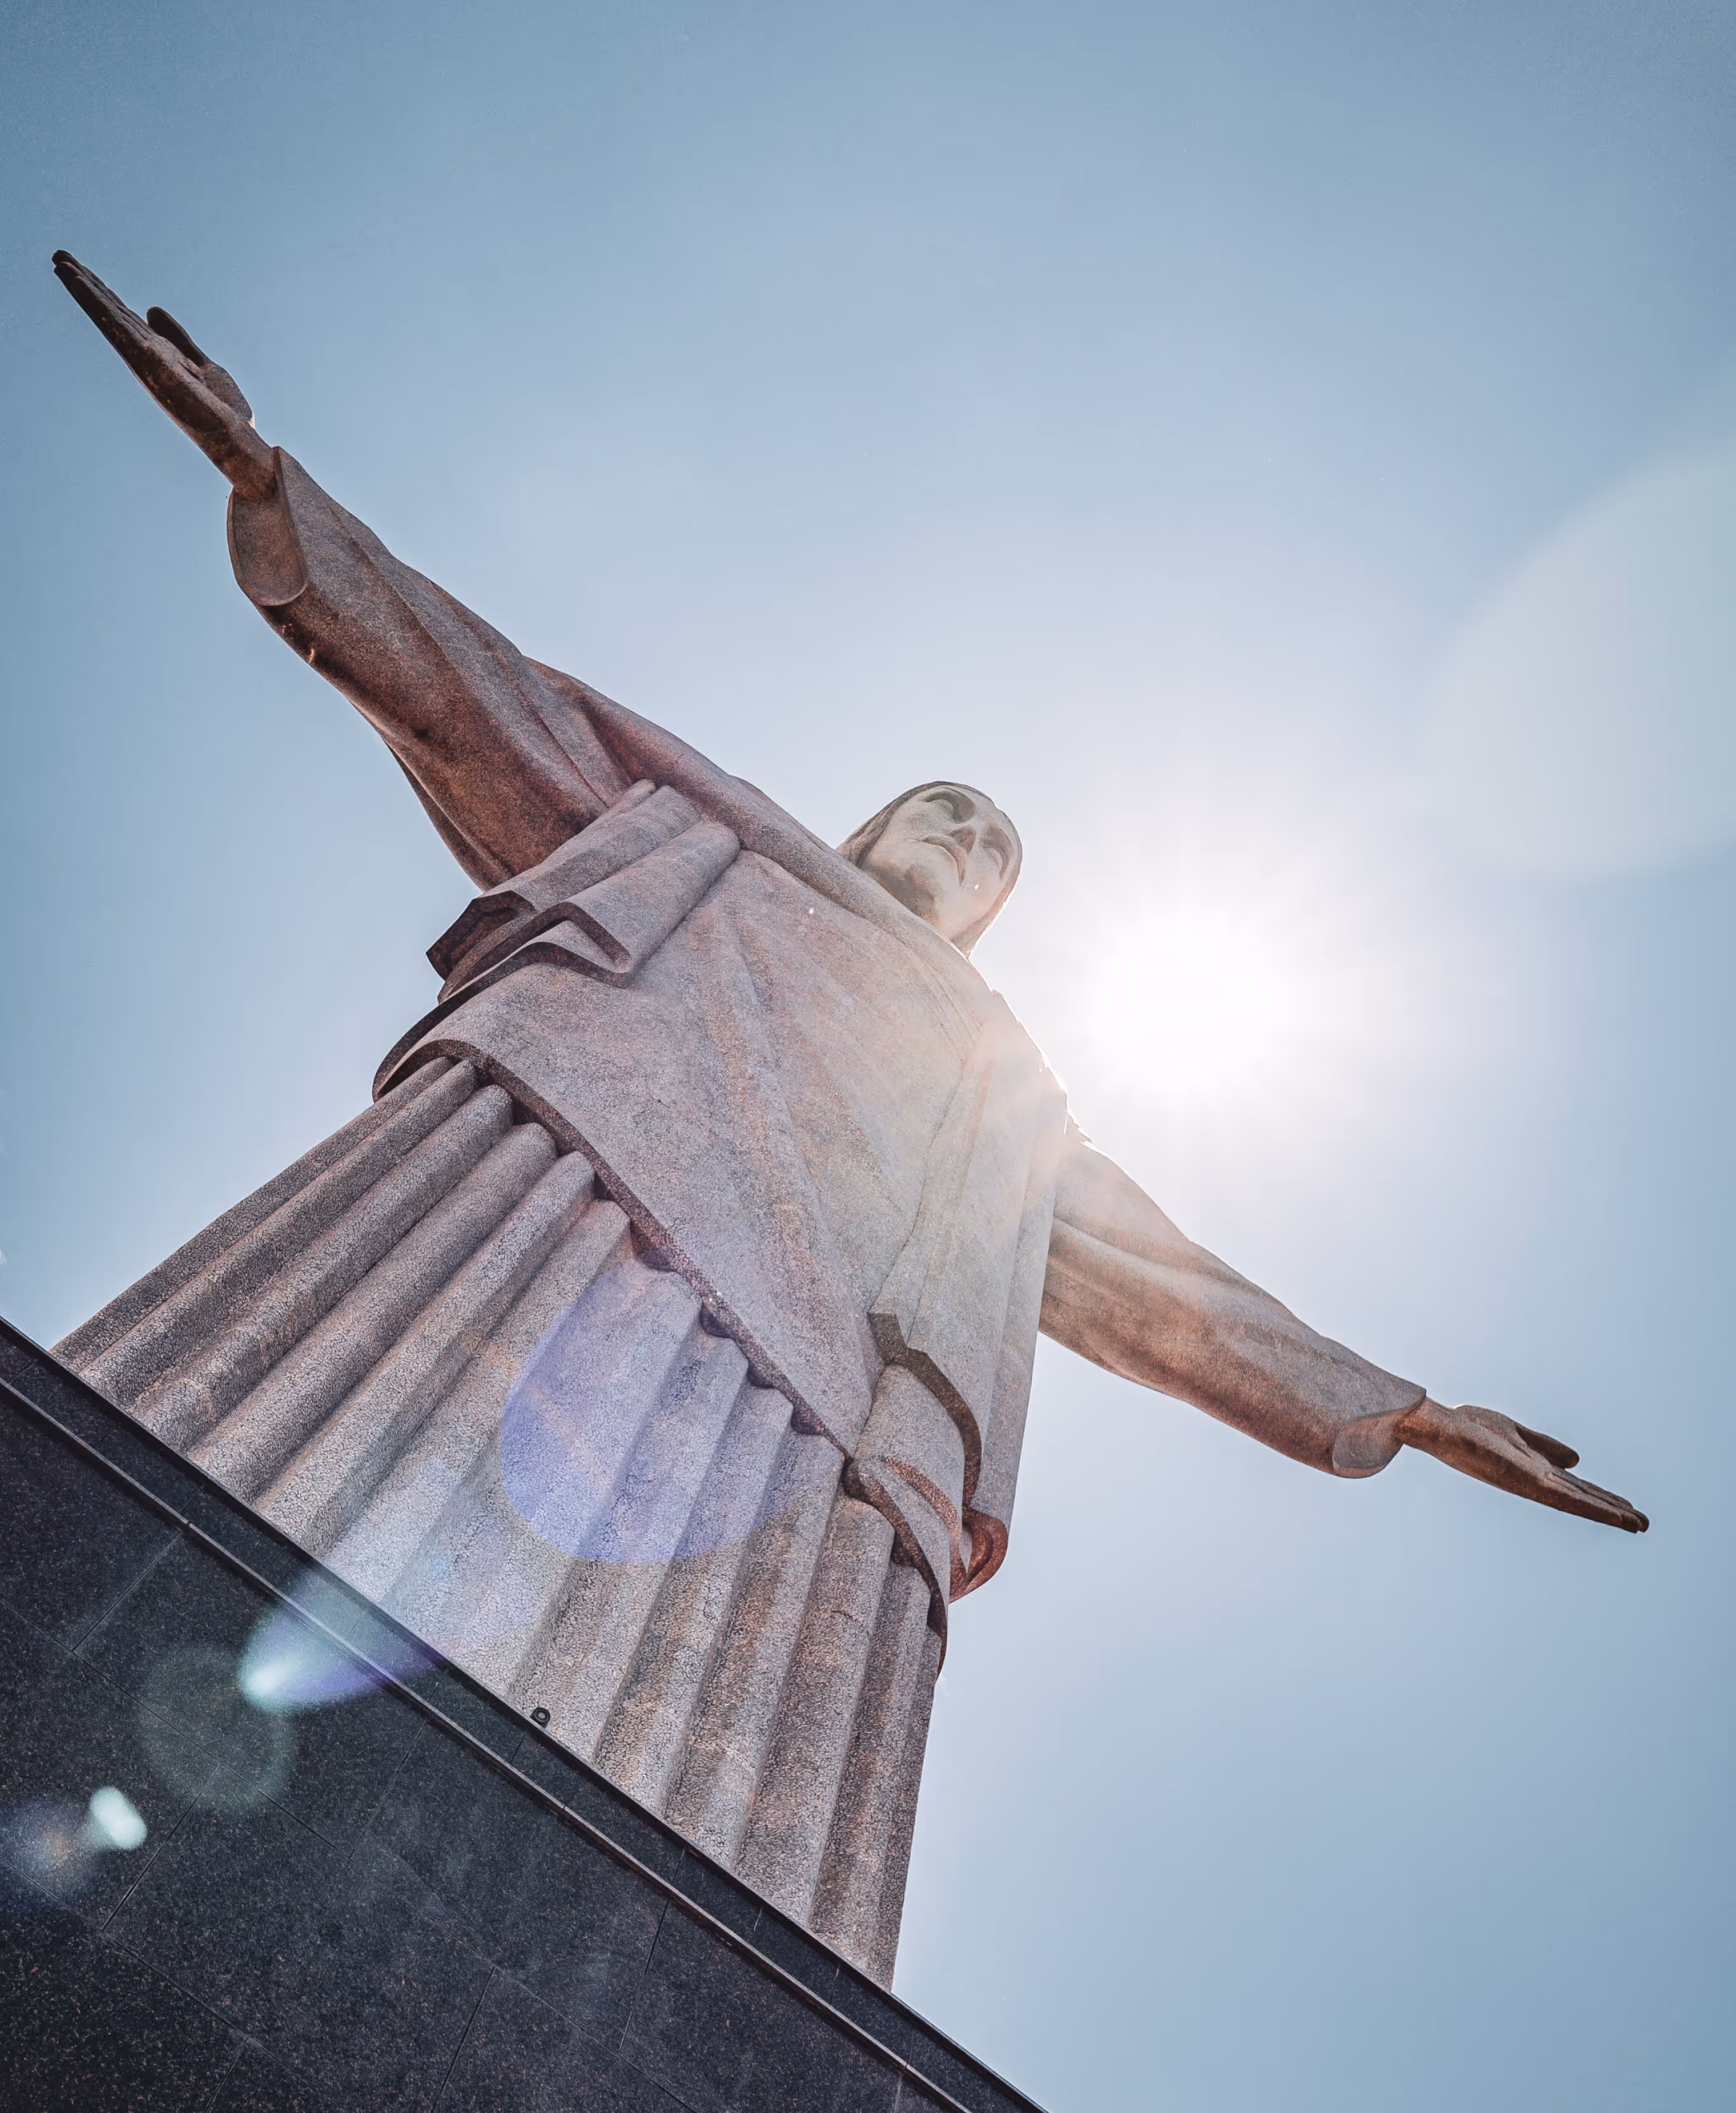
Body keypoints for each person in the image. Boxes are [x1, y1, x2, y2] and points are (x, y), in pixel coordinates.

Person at [51, 254, 1646, 1983]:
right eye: (944, 810)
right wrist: (271, 484)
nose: (963, 842)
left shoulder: (1001, 1083)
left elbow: (1172, 1286)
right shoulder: (716, 836)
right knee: (237, 1504)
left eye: (993, 852)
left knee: (682, 1867)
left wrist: (1395, 1408)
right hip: (548, 1182)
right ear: (874, 822)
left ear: (993, 919)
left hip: (837, 1400)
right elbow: (481, 690)